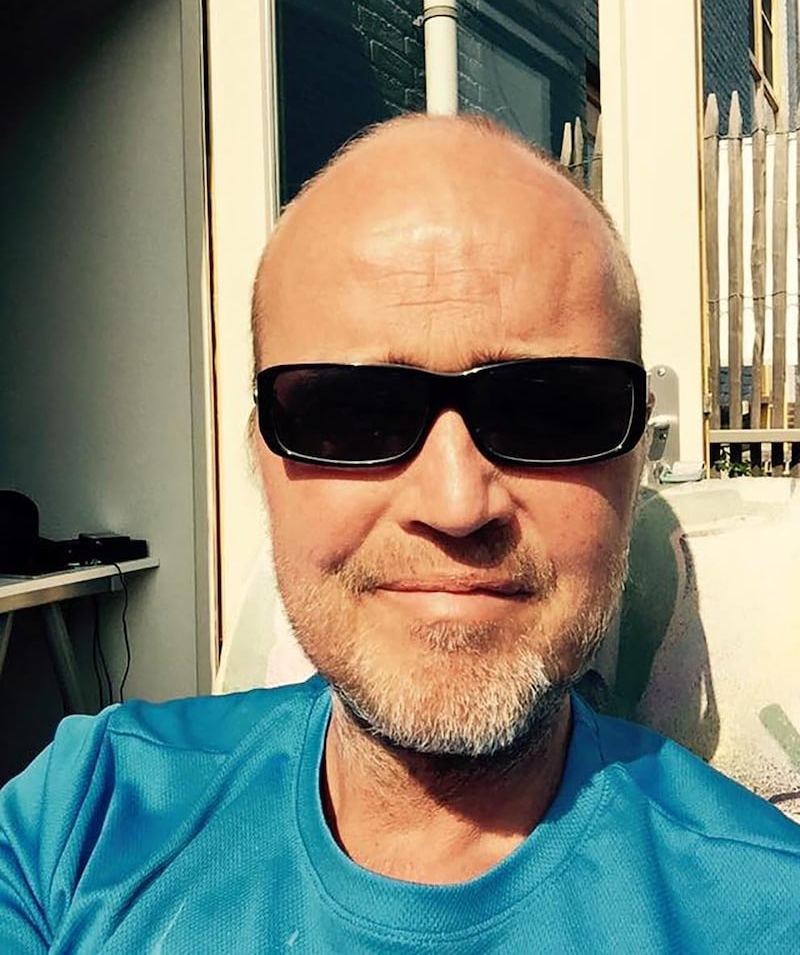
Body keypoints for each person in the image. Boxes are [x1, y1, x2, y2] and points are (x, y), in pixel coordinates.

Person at [1, 115, 798, 953]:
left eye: (553, 410)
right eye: (353, 414)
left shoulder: (767, 913)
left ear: (636, 461)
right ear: (261, 456)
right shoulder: (83, 818)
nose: (456, 504)